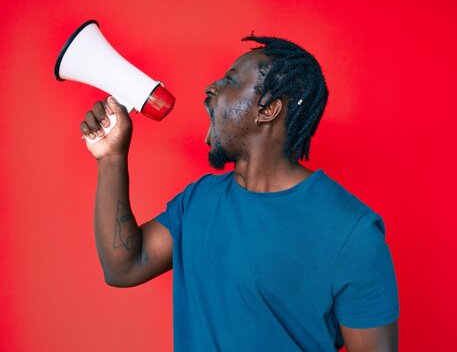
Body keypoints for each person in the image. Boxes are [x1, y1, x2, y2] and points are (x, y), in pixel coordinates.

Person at [80, 36, 399, 351]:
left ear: (268, 109)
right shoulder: (199, 200)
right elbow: (124, 266)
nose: (210, 88)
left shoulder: (354, 234)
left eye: (230, 80)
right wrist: (111, 158)